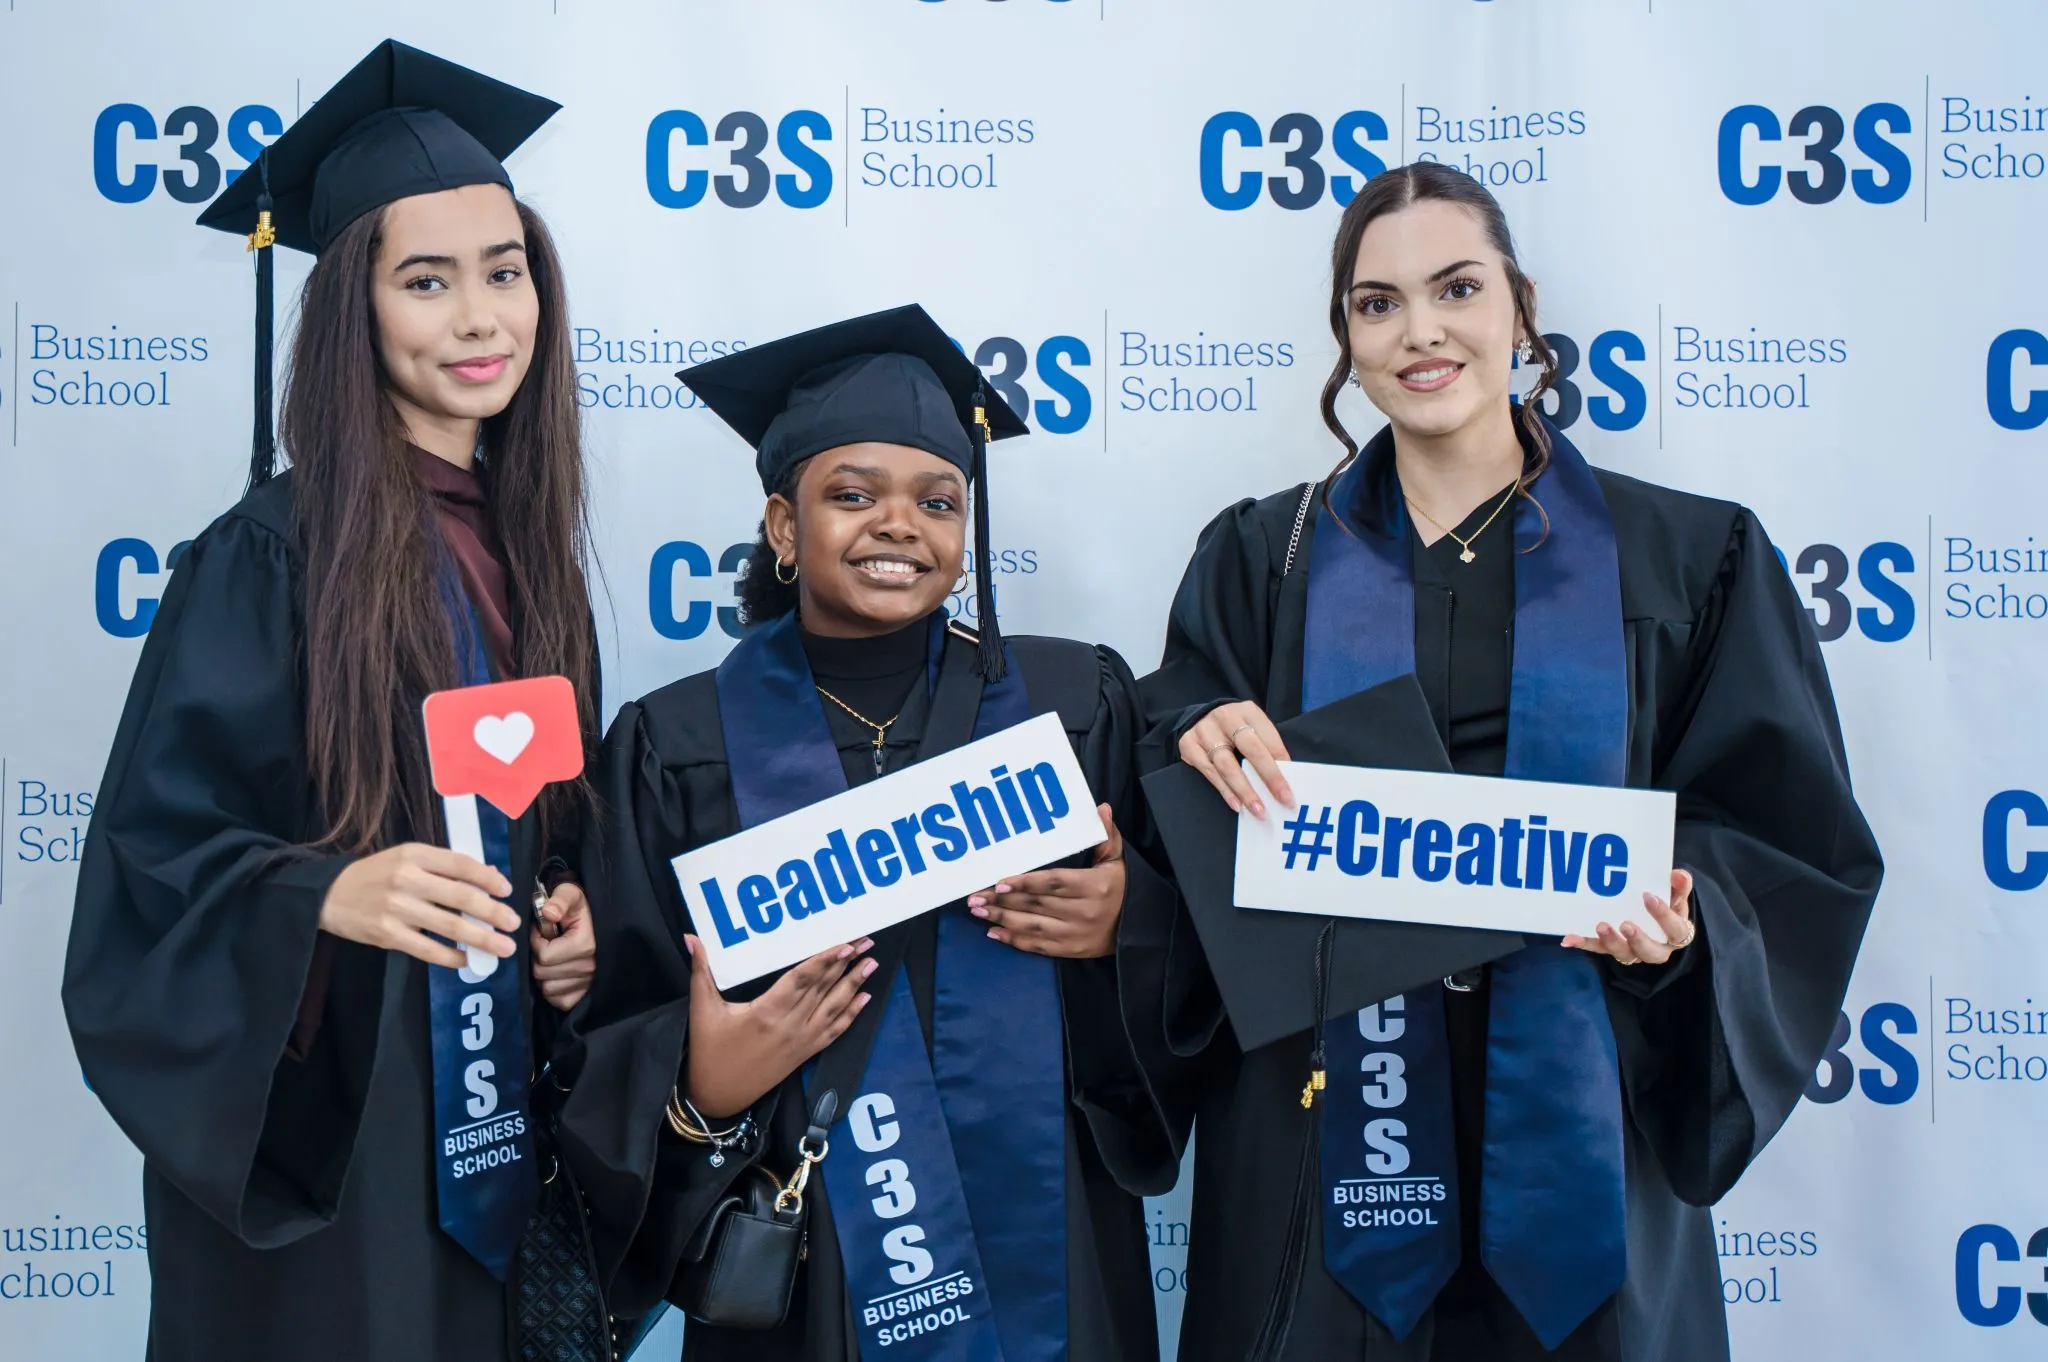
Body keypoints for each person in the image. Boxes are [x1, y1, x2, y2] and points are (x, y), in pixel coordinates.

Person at [1138, 162, 1882, 1362]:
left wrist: (1683, 918)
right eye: (1376, 303)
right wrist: (1193, 727)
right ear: (1344, 338)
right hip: (1323, 1129)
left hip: (1585, 1105)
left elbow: (1780, 831)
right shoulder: (1261, 557)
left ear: (1519, 309)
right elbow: (1171, 787)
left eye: (1455, 288)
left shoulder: (1688, 557)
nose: (1418, 331)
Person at [61, 41, 603, 1362]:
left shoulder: (531, 555)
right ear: (353, 307)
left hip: (496, 1129)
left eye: (505, 271)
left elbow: (537, 819)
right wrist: (322, 894)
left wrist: (567, 922)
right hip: (344, 1139)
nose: (480, 319)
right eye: (426, 281)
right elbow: (150, 865)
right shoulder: (272, 555)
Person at [556, 305, 1189, 1362]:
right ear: (781, 526)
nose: (900, 525)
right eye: (852, 495)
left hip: (1046, 1236)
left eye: (938, 501)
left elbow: (1199, 955)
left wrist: (1130, 925)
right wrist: (700, 1082)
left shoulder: (1071, 706)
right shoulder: (678, 742)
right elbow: (611, 1015)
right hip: (804, 1254)